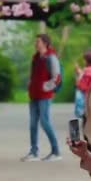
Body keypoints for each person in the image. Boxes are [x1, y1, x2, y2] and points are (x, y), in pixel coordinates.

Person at [20, 34, 62, 162]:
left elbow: (57, 77)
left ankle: (56, 151)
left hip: (44, 96)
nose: (36, 44)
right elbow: (34, 75)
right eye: (35, 41)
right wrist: (31, 84)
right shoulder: (36, 57)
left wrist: (45, 87)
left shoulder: (51, 57)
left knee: (44, 122)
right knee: (33, 124)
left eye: (38, 41)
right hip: (34, 95)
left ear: (45, 43)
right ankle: (34, 152)